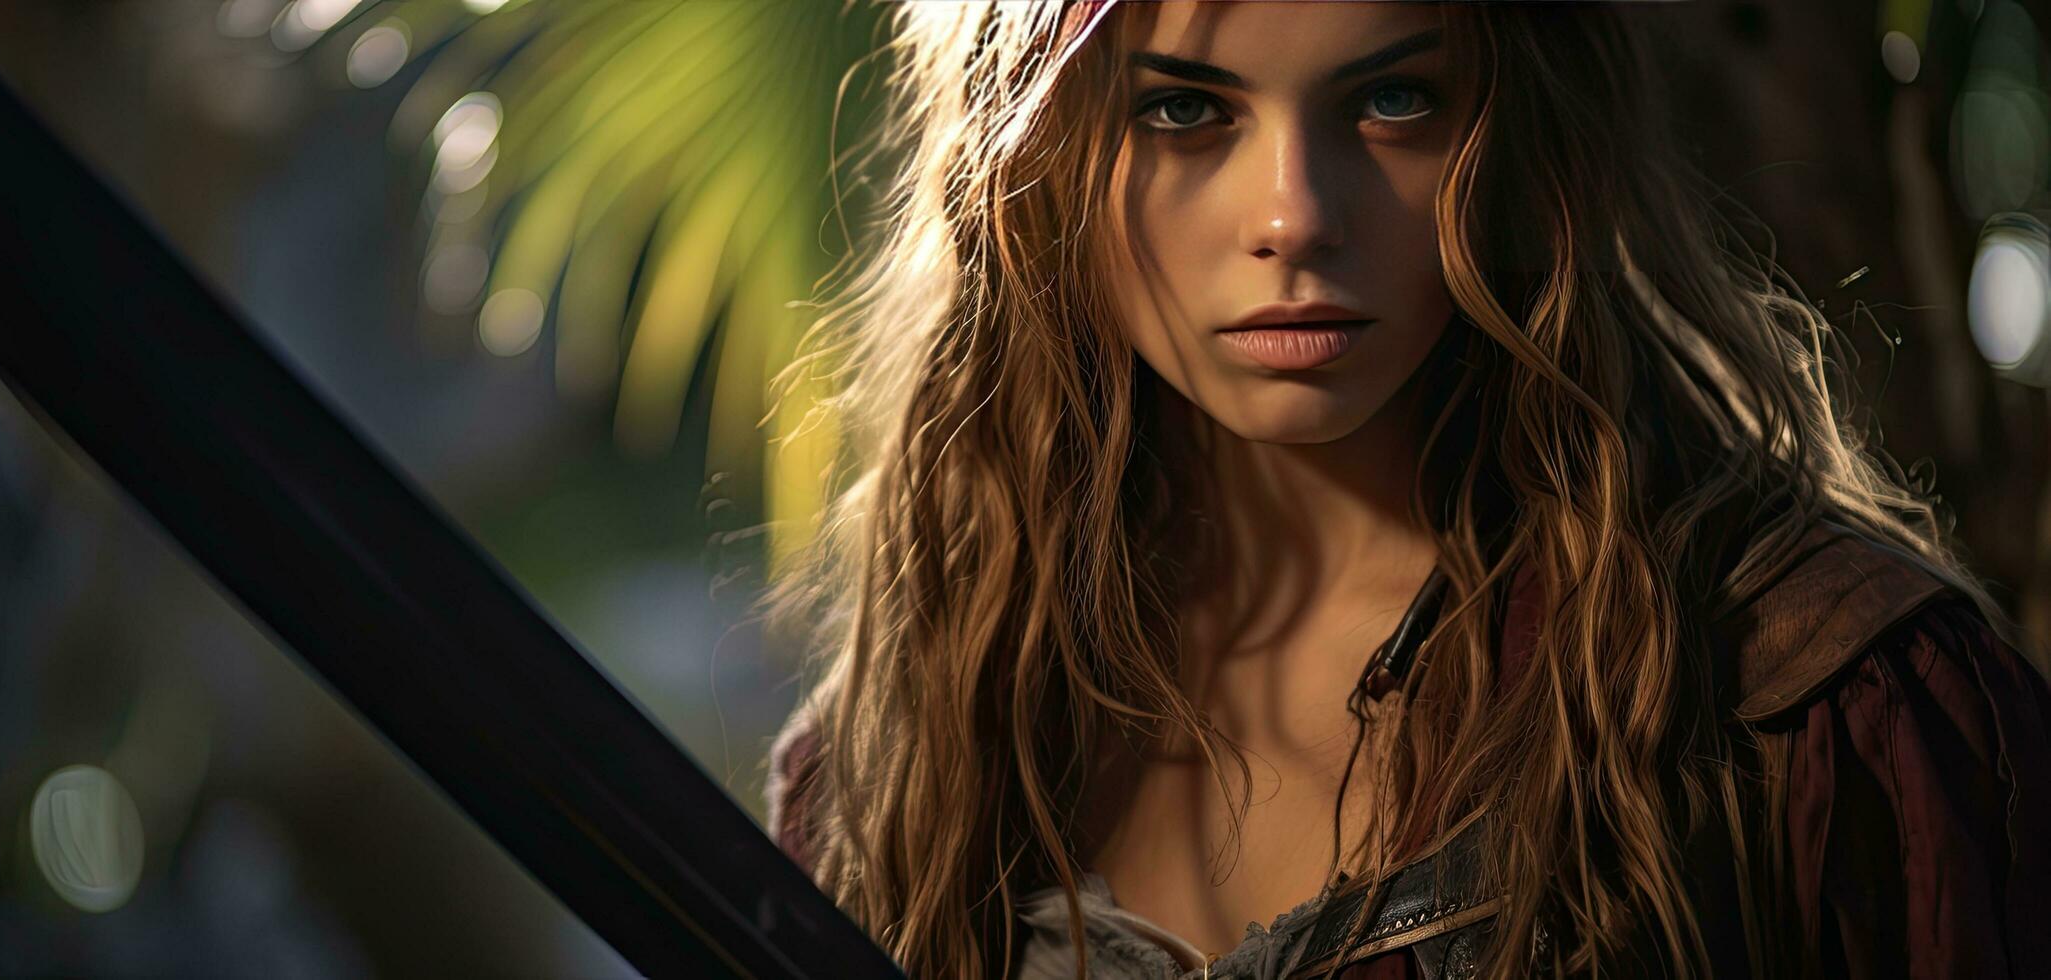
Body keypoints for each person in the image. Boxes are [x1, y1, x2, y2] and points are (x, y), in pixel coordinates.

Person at [756, 3, 2051, 978]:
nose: (1296, 214)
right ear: (1033, 162)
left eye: (1390, 103)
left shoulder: (1816, 712)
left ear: (1525, 126)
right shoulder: (896, 765)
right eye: (1183, 111)